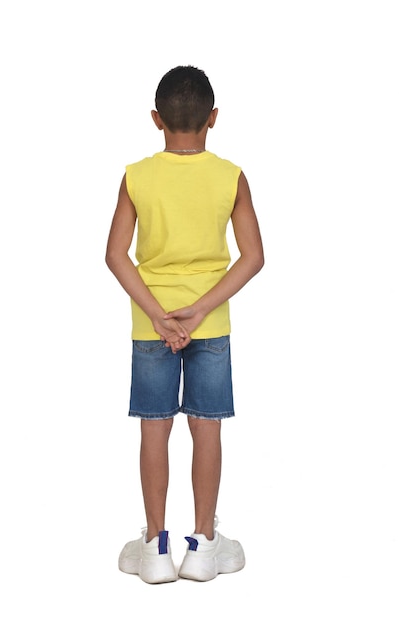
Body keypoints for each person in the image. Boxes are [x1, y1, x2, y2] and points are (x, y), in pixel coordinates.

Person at [105, 65, 264, 583]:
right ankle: (203, 546)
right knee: (207, 429)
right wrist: (199, 310)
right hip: (210, 324)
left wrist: (158, 314)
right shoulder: (230, 176)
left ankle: (155, 546)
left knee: (155, 429)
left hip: (153, 326)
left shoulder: (136, 176)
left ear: (156, 119)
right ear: (213, 118)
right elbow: (253, 256)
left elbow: (115, 255)